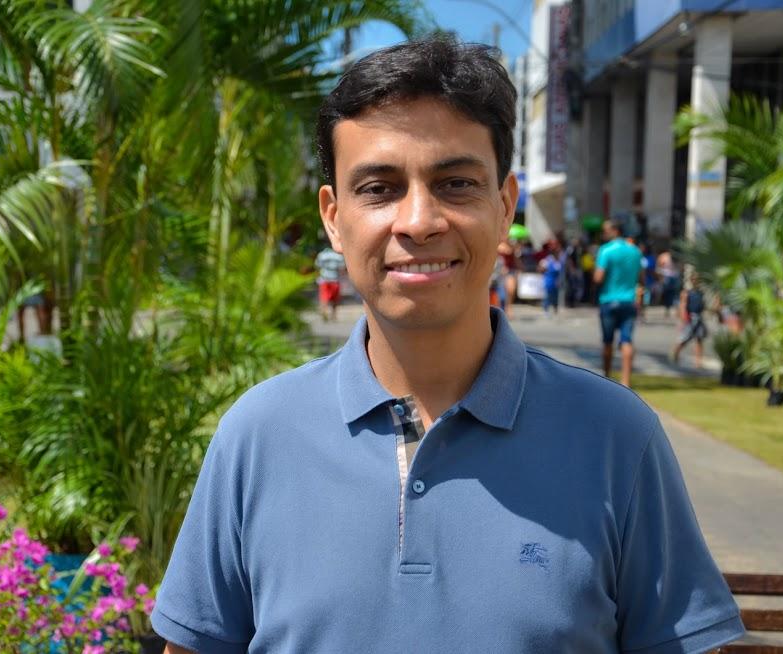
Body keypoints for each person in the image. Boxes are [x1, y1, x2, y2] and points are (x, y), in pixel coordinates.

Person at [152, 37, 743, 654]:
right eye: (378, 188)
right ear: (333, 217)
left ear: (504, 204)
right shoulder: (258, 434)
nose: (418, 221)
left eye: (456, 183)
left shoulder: (616, 436)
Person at [595, 219, 643, 387]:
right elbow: (641, 277)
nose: (603, 234)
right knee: (626, 340)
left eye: (605, 230)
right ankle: (626, 381)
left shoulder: (606, 250)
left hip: (609, 300)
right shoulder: (635, 251)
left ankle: (607, 377)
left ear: (615, 231)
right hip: (629, 301)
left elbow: (598, 277)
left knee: (607, 342)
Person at [671, 273, 708, 368]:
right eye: (694, 279)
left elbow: (703, 305)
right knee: (684, 338)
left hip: (699, 318)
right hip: (690, 318)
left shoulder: (701, 293)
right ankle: (675, 354)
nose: (696, 281)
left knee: (699, 339)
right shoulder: (687, 293)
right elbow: (682, 306)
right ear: (691, 281)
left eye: (697, 279)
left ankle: (698, 361)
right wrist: (683, 320)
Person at [315, 244, 346, 321]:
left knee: (323, 297)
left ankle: (324, 312)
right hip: (335, 279)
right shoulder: (338, 256)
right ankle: (333, 315)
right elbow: (342, 269)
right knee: (335, 299)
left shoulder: (321, 255)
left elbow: (317, 266)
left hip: (324, 279)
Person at [539, 241, 561, 315]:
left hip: (555, 282)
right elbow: (541, 269)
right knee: (548, 296)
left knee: (555, 296)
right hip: (548, 281)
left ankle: (555, 309)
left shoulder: (558, 261)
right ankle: (546, 309)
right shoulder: (548, 260)